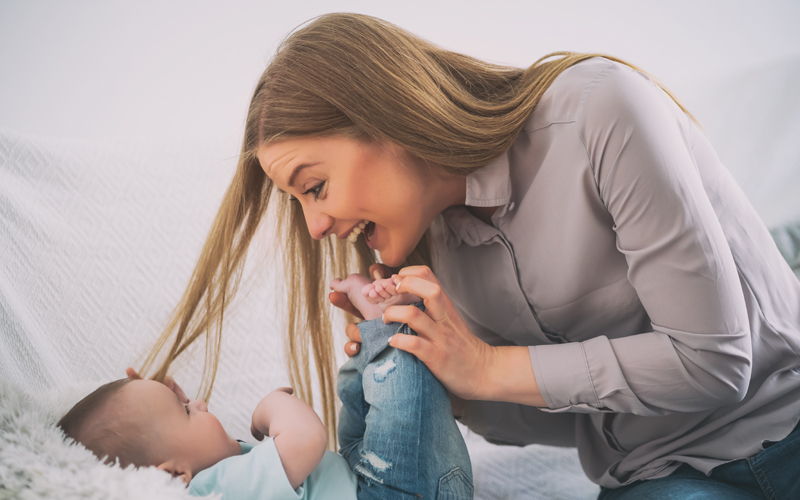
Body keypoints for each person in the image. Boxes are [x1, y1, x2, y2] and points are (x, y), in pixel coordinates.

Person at [139, 12, 800, 499]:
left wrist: (484, 364)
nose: (315, 228)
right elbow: (582, 423)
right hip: (655, 476)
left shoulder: (598, 110)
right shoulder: (430, 256)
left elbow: (715, 363)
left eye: (315, 188)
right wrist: (435, 380)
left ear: (388, 115)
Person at [59, 274, 473, 499]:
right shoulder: (215, 490)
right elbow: (306, 438)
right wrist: (271, 406)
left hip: (355, 475)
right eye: (186, 411)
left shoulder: (209, 475)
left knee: (359, 395)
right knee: (397, 393)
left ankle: (375, 333)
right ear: (173, 475)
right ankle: (390, 324)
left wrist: (165, 404)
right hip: (390, 493)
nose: (200, 403)